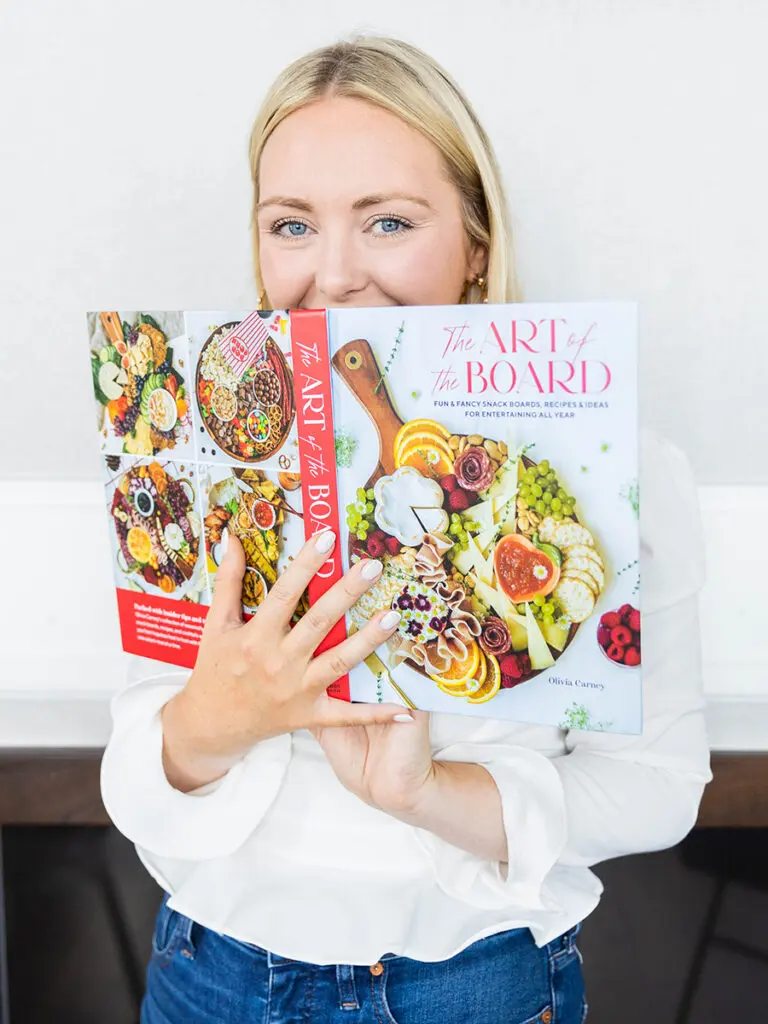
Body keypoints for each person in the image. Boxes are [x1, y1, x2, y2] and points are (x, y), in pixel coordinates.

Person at [101, 35, 713, 1024]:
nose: (332, 275)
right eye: (291, 224)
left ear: (475, 243)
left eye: (387, 220)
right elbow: (134, 783)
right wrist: (205, 730)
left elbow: (659, 790)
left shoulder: (621, 471)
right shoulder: (200, 454)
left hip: (477, 985)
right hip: (211, 975)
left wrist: (430, 792)